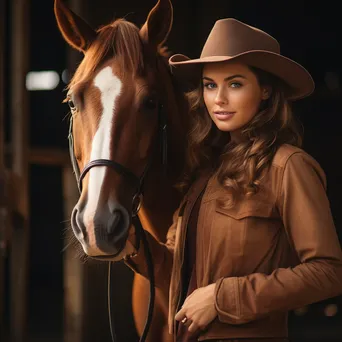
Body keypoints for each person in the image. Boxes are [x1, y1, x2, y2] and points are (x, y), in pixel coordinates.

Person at [125, 18, 342, 342]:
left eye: (235, 84)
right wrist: (130, 239)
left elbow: (328, 272)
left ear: (265, 90)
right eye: (210, 85)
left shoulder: (288, 166)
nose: (219, 99)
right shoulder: (203, 175)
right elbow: (173, 271)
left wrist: (220, 299)